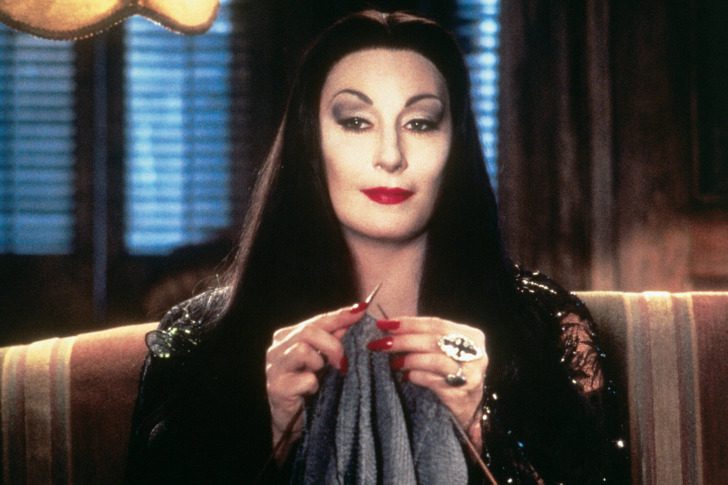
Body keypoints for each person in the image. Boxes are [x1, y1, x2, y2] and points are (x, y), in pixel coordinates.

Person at [126, 10, 628, 484]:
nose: (390, 156)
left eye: (421, 123)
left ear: (455, 146)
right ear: (310, 142)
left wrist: (481, 426)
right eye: (356, 121)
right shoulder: (200, 341)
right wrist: (275, 433)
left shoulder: (547, 326)